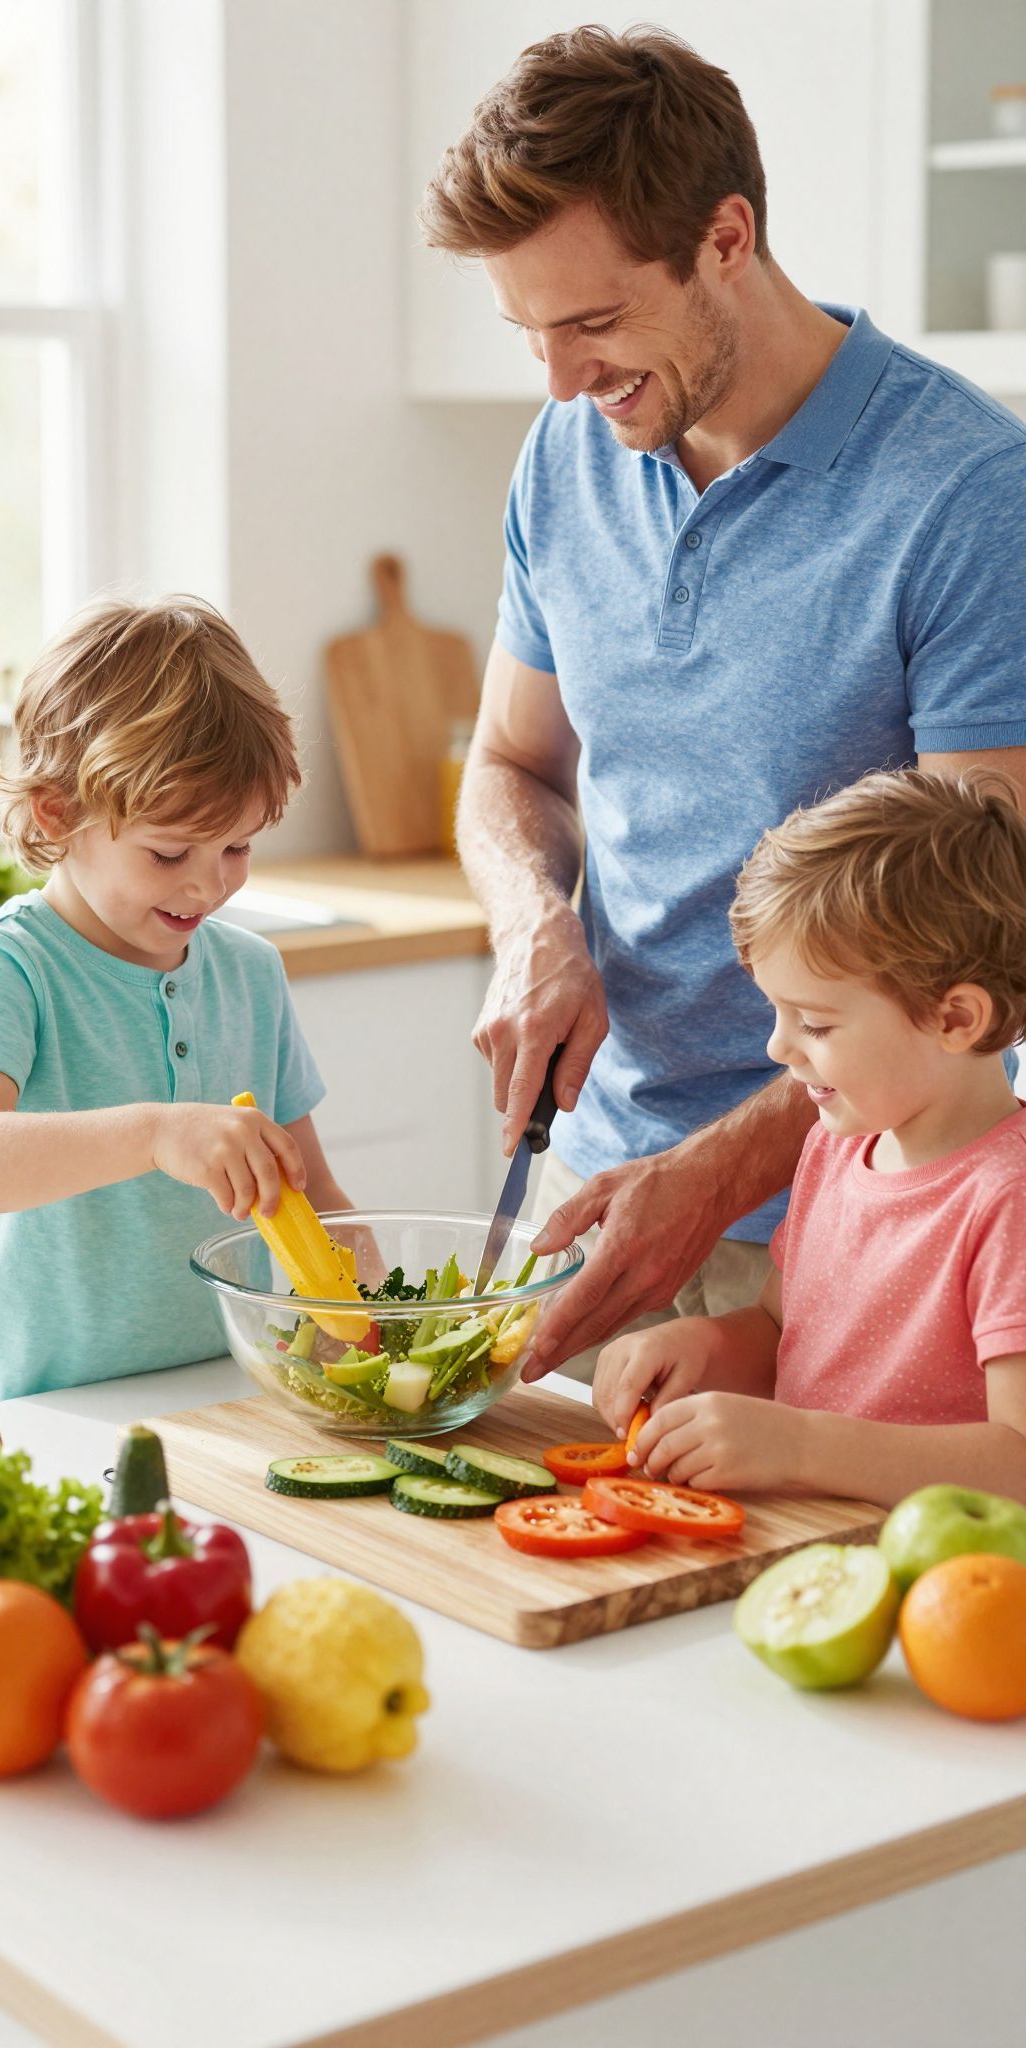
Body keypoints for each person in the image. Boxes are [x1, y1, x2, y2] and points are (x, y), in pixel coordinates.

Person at [419, 24, 1026, 1381]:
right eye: (530, 334)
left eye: (592, 321)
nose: (564, 381)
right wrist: (533, 931)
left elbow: (990, 929)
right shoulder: (566, 456)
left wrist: (711, 1175)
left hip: (854, 1222)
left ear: (728, 238)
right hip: (591, 1190)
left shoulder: (968, 494)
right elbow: (513, 764)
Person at [0, 596, 352, 1402]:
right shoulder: (6, 966)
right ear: (60, 811)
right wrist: (154, 1131)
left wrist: (381, 1319)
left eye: (238, 846)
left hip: (222, 1397)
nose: (209, 884)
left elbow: (313, 1189)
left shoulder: (250, 972)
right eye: (170, 851)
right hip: (33, 1409)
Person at [592, 770, 1026, 1508]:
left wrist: (796, 1447)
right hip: (810, 1561)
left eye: (815, 1023)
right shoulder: (838, 1147)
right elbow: (778, 1328)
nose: (777, 1048)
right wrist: (696, 1351)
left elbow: (1017, 1461)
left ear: (956, 1019)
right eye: (777, 1013)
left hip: (943, 1587)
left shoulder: (1008, 1199)